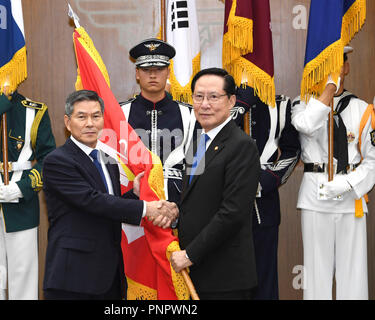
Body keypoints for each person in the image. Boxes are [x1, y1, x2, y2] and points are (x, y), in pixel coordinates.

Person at [42, 90, 179, 300]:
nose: (90, 123)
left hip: (109, 275)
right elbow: (91, 201)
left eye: (96, 116)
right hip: (74, 278)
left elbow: (109, 206)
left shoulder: (108, 160)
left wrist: (135, 195)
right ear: (68, 122)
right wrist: (146, 208)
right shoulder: (57, 161)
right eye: (82, 117)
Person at [291, 47, 375, 300]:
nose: (331, 70)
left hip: (351, 199)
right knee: (317, 273)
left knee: (354, 273)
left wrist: (349, 183)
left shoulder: (364, 109)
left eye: (336, 64)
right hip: (316, 197)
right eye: (324, 65)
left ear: (346, 67)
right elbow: (306, 125)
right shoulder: (303, 104)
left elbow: (373, 160)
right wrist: (328, 90)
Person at [170, 68, 260, 300]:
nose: (204, 104)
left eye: (213, 97)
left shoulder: (242, 145)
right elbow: (193, 201)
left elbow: (233, 213)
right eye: (198, 97)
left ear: (231, 101)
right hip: (197, 271)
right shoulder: (198, 140)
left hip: (225, 276)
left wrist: (190, 254)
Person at [0, 90, 56, 300]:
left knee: (23, 273)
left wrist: (24, 187)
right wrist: (2, 101)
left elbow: (49, 159)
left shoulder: (36, 110)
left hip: (22, 203)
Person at [233, 87, 300, 299]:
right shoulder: (220, 101)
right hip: (225, 203)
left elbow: (292, 150)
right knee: (227, 280)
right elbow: (205, 142)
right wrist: (240, 107)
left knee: (265, 279)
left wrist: (266, 181)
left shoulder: (280, 104)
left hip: (264, 206)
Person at [121, 38, 196, 204]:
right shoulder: (120, 113)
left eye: (159, 69)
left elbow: (198, 167)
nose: (153, 75)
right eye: (146, 69)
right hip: (132, 203)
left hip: (178, 203)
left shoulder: (190, 114)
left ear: (168, 72)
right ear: (137, 73)